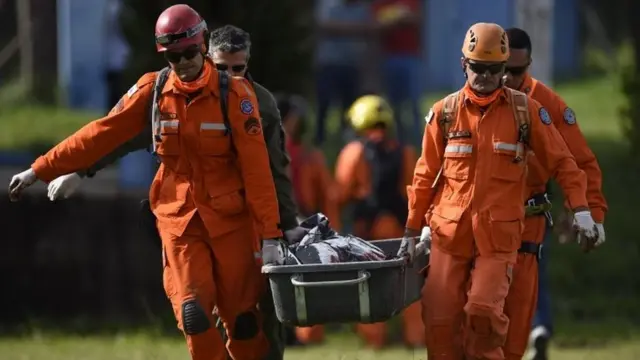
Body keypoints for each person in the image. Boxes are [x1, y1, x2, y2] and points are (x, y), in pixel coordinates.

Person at [9, 5, 283, 360]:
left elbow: (258, 170)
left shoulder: (236, 97)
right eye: (173, 56)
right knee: (193, 313)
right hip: (179, 219)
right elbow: (102, 134)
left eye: (188, 52)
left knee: (244, 321)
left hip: (231, 220)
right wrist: (41, 168)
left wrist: (271, 234)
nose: (183, 62)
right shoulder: (153, 91)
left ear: (202, 47)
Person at [397, 22, 601, 359]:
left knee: (483, 314)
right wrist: (411, 229)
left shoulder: (526, 112)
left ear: (505, 69)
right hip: (449, 238)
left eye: (494, 69)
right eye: (478, 67)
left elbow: (565, 163)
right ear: (464, 64)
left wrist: (581, 209)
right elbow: (424, 176)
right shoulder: (444, 114)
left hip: (498, 241)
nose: (485, 76)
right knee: (439, 322)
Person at [502, 27, 608, 360]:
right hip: (479, 218)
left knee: (530, 284)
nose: (505, 78)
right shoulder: (472, 100)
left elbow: (580, 163)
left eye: (515, 71)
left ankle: (537, 331)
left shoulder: (547, 106)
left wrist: (589, 213)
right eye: (498, 67)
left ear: (530, 64)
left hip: (528, 216)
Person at [334, 94, 424, 349]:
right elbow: (415, 194)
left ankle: (375, 341)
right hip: (398, 230)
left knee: (367, 285)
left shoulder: (353, 152)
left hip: (367, 233)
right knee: (408, 284)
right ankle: (416, 338)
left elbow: (339, 195)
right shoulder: (406, 152)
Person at [276, 93, 341, 345]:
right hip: (300, 224)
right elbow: (328, 196)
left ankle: (291, 334)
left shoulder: (265, 148)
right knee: (307, 282)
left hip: (278, 224)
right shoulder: (303, 154)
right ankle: (304, 335)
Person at [314, 0, 372, 146]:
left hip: (352, 64)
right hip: (329, 63)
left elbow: (369, 29)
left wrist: (342, 28)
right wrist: (355, 29)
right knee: (324, 103)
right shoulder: (328, 4)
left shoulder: (362, 8)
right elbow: (325, 26)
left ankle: (346, 142)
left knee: (348, 107)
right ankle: (320, 140)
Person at [371, 0, 423, 145]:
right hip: (389, 57)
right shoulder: (381, 3)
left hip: (411, 57)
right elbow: (377, 24)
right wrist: (397, 17)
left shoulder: (412, 2)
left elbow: (416, 19)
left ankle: (418, 139)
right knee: (394, 103)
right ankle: (397, 139)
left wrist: (394, 18)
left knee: (414, 101)